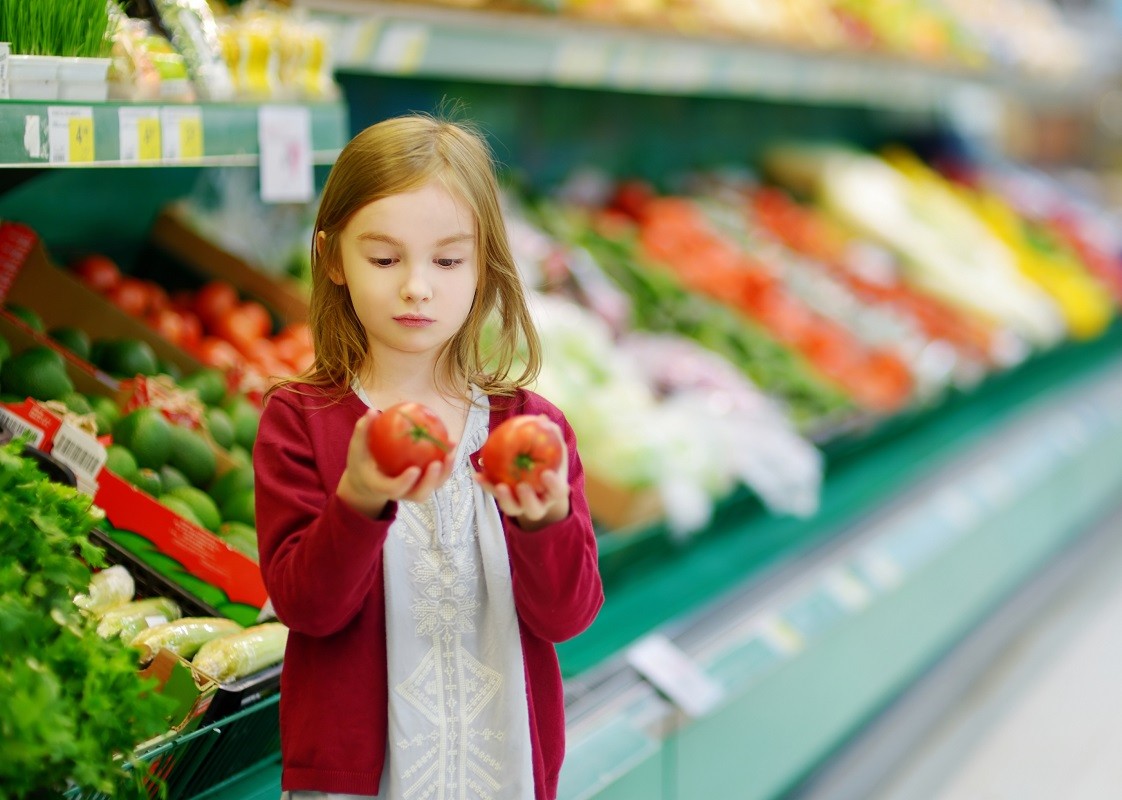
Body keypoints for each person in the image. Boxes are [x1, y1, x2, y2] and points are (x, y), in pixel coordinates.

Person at [254, 113, 605, 800]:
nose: (417, 286)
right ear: (331, 257)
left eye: (447, 260)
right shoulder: (302, 420)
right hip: (357, 784)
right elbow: (305, 608)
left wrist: (546, 519)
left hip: (501, 771)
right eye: (384, 259)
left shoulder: (532, 427)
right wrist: (357, 499)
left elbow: (568, 615)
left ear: (485, 265)